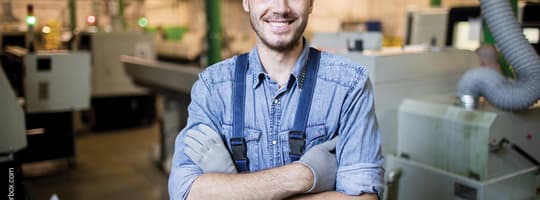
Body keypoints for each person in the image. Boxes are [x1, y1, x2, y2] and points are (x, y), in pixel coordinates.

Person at [168, 0, 384, 199]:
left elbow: (365, 199)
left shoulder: (349, 85)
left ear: (311, 2)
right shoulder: (213, 87)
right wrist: (302, 176)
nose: (281, 8)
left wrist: (233, 187)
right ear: (246, 2)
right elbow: (185, 192)